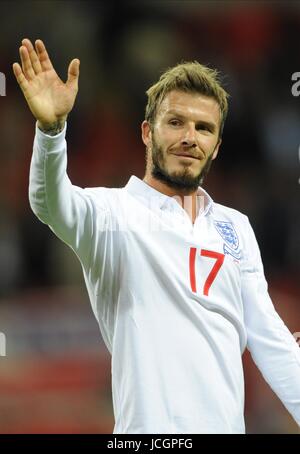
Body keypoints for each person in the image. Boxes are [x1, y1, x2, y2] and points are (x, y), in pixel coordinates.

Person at [13, 38, 300, 434]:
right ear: (148, 132)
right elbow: (49, 202)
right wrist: (51, 129)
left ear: (216, 147)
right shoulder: (112, 214)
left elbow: (273, 342)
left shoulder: (237, 227)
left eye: (204, 128)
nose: (190, 137)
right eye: (176, 122)